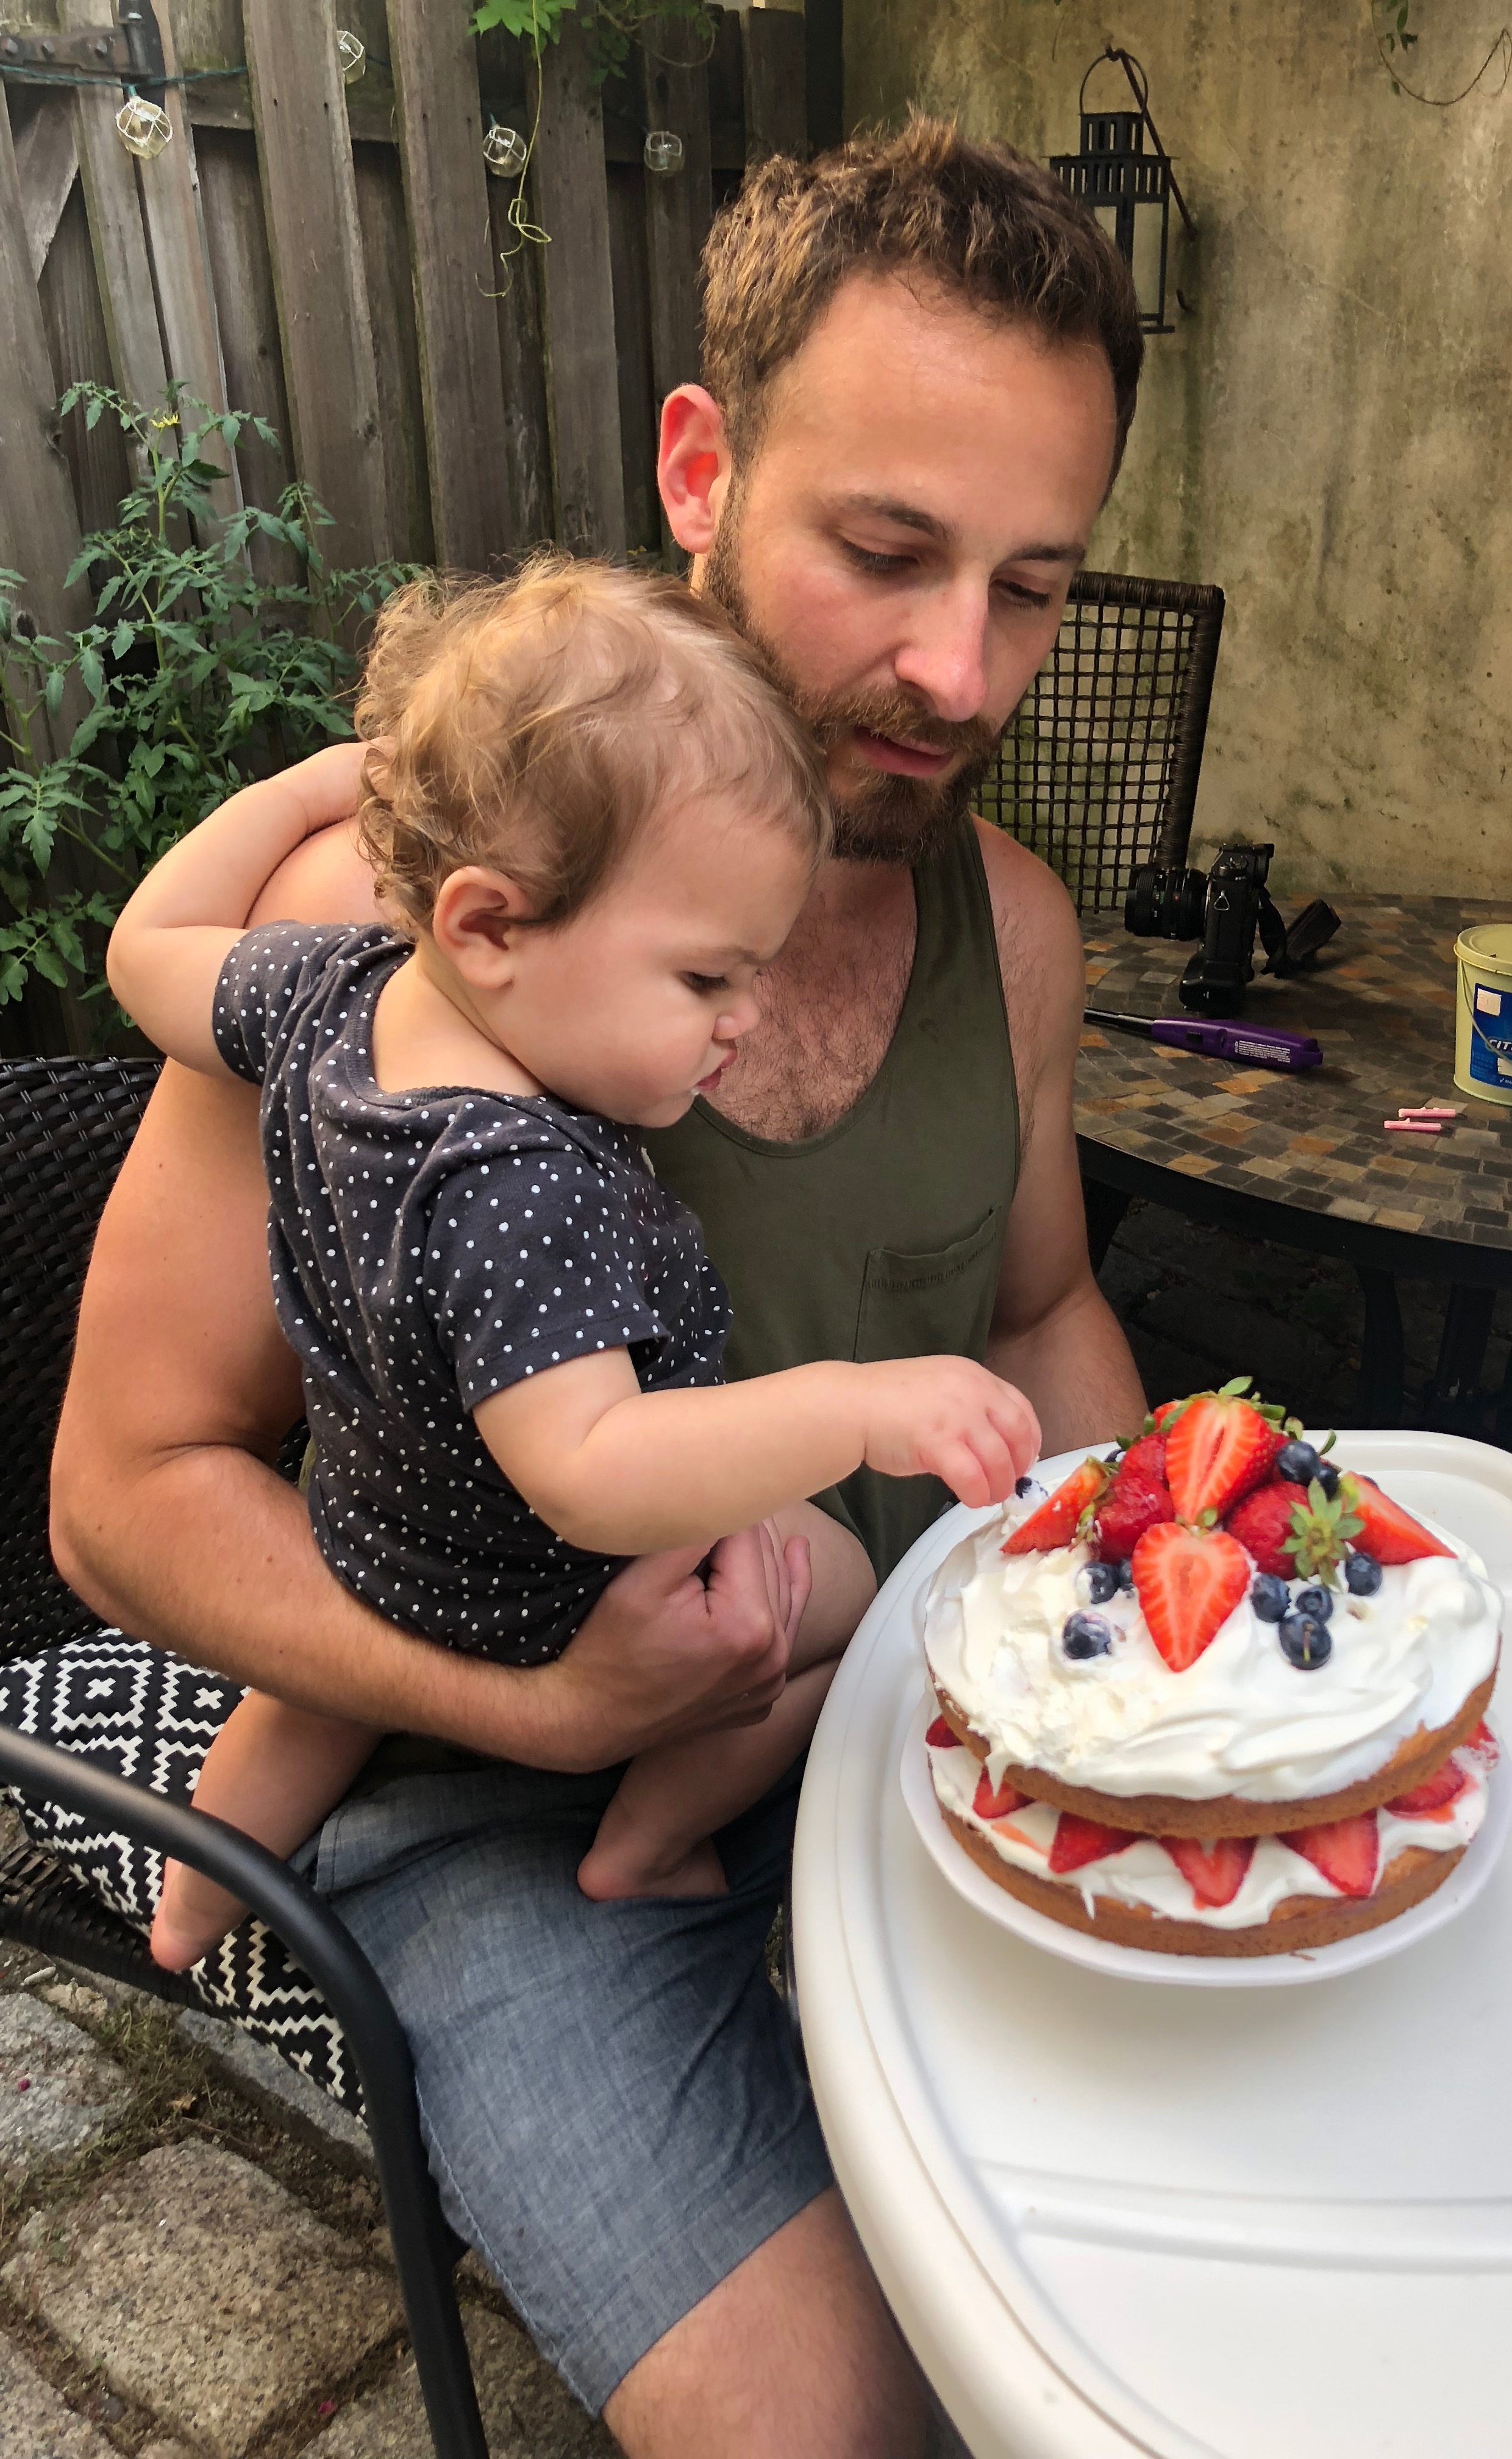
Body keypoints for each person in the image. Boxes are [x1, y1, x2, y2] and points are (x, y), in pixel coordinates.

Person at [45, 116, 1149, 2457]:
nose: (961, 669)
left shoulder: (1012, 929)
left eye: (1035, 587)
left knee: (1191, 2272)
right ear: (699, 467)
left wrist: (1152, 1597)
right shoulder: (413, 921)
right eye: (884, 549)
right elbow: (120, 1492)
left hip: (885, 1717)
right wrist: (531, 1710)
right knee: (860, 2429)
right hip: (500, 1821)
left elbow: (1042, 1319)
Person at [104, 559, 1037, 1971]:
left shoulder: (320, 987)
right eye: (705, 980)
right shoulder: (519, 1181)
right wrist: (857, 1405)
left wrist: (306, 790)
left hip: (368, 1527)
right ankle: (647, 1846)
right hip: (542, 1591)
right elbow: (592, 1473)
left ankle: (187, 1918)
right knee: (852, 1596)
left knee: (312, 1699)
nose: (741, 1022)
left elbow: (142, 952)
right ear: (489, 926)